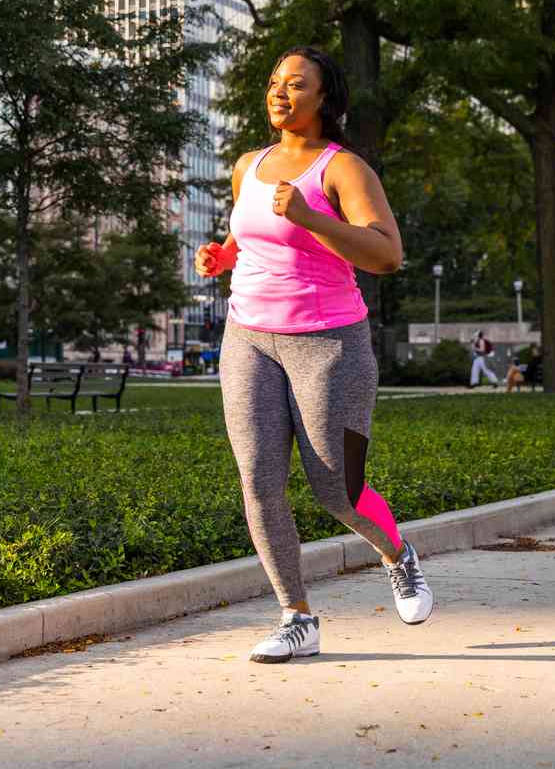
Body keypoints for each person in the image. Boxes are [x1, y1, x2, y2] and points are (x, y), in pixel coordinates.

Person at [196, 45, 432, 665]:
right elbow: (250, 238)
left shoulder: (343, 169)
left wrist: (309, 216)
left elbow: (386, 255)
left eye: (296, 84)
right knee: (258, 480)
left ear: (324, 99)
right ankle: (296, 616)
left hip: (330, 342)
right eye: (275, 82)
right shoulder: (249, 164)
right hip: (248, 337)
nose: (280, 92)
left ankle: (397, 554)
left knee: (339, 487)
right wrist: (223, 256)